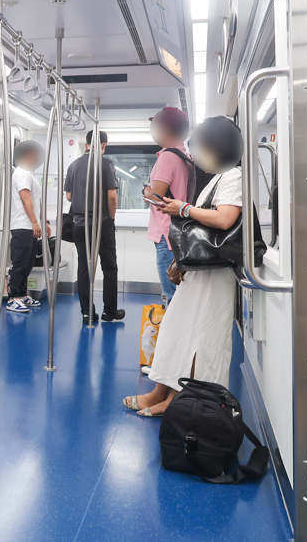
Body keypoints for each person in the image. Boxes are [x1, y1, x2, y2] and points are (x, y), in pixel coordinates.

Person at [122, 116, 245, 417]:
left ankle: (178, 399)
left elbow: (225, 219)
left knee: (199, 339)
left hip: (214, 276)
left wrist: (184, 208)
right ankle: (159, 392)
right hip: (200, 272)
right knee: (177, 330)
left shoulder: (233, 176)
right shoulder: (217, 178)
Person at [64, 130, 124, 323]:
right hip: (102, 223)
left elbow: (69, 196)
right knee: (109, 266)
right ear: (103, 145)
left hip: (79, 225)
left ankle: (87, 313)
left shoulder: (74, 165)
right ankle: (109, 311)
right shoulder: (106, 164)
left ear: (87, 143)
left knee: (84, 268)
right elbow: (112, 196)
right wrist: (111, 219)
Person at [141, 107, 193, 307]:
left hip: (165, 234)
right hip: (178, 232)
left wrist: (146, 190)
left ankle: (173, 338)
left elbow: (156, 197)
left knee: (171, 297)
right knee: (179, 294)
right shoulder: (184, 155)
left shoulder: (167, 158)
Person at [6, 141, 50, 313]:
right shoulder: (22, 172)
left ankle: (22, 295)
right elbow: (25, 198)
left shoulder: (29, 172)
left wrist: (43, 221)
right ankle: (13, 298)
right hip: (22, 225)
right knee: (19, 263)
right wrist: (34, 222)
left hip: (29, 226)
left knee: (28, 263)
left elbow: (36, 201)